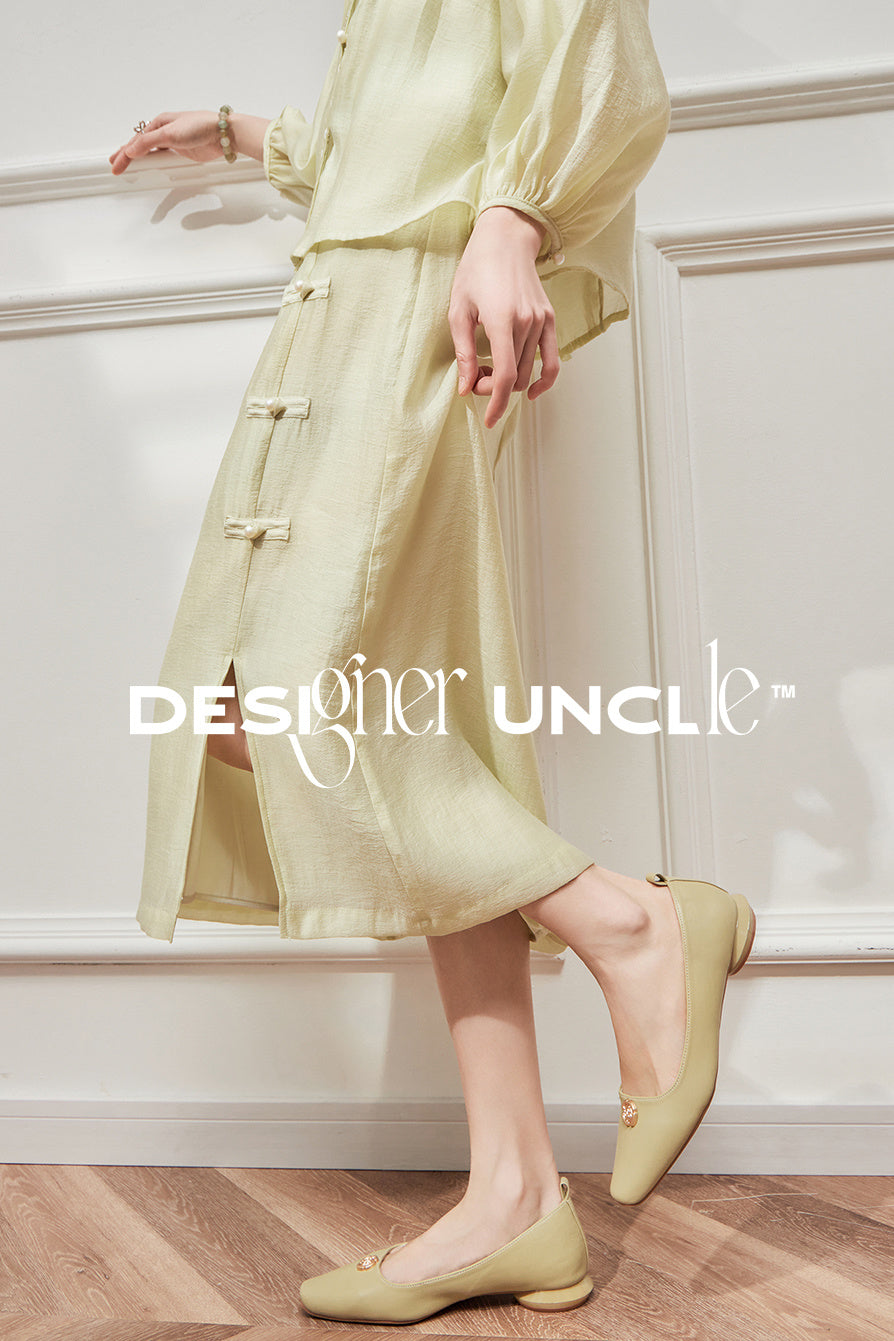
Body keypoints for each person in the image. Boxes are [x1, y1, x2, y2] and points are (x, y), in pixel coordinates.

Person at [111, 0, 756, 1325]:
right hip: (341, 305)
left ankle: (633, 923)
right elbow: (419, 122)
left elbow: (589, 43)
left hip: (411, 310)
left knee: (292, 703)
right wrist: (244, 133)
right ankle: (515, 1193)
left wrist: (513, 223)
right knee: (367, 717)